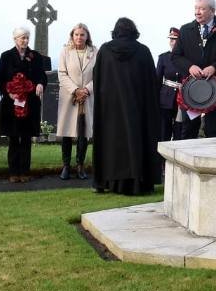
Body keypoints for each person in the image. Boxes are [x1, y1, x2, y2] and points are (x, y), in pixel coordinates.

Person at [91, 18, 158, 195]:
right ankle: (138, 181)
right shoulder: (143, 51)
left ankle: (108, 181)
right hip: (137, 107)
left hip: (110, 108)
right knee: (135, 140)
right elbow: (152, 83)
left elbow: (97, 78)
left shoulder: (105, 50)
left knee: (111, 142)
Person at [171, 0, 216, 139]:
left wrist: (215, 67)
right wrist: (189, 67)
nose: (197, 12)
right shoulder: (185, 30)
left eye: (202, 9)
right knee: (188, 131)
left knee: (215, 131)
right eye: (196, 8)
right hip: (191, 91)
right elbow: (175, 56)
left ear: (212, 11)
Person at [0, 26, 46, 183]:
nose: (25, 40)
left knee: (26, 139)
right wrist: (8, 92)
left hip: (30, 102)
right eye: (22, 38)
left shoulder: (35, 56)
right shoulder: (6, 56)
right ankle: (13, 172)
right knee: (13, 139)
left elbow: (42, 76)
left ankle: (25, 172)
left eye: (27, 38)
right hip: (12, 103)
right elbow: (0, 79)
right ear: (15, 39)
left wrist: (40, 84)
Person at [57, 23, 95, 180]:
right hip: (69, 97)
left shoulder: (95, 52)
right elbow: (62, 73)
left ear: (87, 36)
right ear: (72, 36)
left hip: (87, 97)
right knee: (67, 132)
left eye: (82, 34)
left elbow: (98, 74)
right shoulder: (65, 51)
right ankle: (66, 166)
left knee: (83, 133)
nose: (79, 37)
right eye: (76, 34)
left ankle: (80, 166)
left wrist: (86, 90)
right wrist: (75, 90)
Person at [154, 27, 186, 143]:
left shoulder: (186, 59)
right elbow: (157, 80)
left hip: (182, 98)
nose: (171, 41)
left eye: (174, 39)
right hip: (166, 98)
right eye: (170, 39)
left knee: (179, 130)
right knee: (164, 131)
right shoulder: (163, 58)